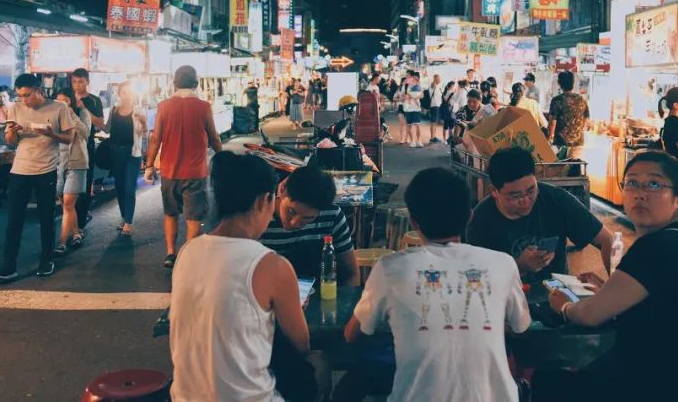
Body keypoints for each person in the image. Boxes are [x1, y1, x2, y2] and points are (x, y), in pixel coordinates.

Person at [548, 151, 678, 401]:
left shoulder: (659, 246)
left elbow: (590, 315)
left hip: (669, 388)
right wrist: (607, 293)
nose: (640, 193)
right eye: (632, 183)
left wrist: (564, 306)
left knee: (551, 382)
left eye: (654, 184)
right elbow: (660, 304)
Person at [343, 167, 531, 401]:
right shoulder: (503, 264)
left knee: (350, 385)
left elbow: (353, 334)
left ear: (413, 221)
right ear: (469, 217)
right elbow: (520, 327)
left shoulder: (390, 268)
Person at [169, 152, 312, 402]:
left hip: (183, 397)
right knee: (315, 371)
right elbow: (302, 344)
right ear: (264, 201)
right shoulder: (273, 266)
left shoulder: (187, 251)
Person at [467, 146, 612, 283]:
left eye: (531, 190)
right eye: (515, 196)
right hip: (505, 297)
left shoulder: (556, 199)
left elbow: (606, 240)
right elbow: (475, 278)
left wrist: (618, 289)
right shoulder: (480, 220)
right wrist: (518, 265)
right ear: (494, 191)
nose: (526, 200)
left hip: (558, 292)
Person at [0, 73, 74, 282]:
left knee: (46, 218)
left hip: (46, 169)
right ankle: (9, 265)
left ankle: (47, 259)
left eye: (27, 95)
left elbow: (69, 137)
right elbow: (10, 141)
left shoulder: (59, 108)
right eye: (20, 96)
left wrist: (51, 134)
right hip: (20, 169)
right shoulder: (15, 108)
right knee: (14, 219)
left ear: (38, 90)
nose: (24, 100)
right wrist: (13, 132)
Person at [144, 65, 223, 268]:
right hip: (195, 172)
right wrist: (222, 157)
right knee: (193, 216)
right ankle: (189, 255)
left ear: (174, 83)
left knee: (170, 213)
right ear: (196, 84)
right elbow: (214, 137)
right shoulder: (203, 107)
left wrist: (149, 165)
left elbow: (155, 139)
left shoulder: (163, 106)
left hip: (169, 172)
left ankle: (170, 253)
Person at [259, 162, 360, 286]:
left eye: (307, 218)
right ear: (282, 189)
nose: (294, 223)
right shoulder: (258, 217)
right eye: (291, 211)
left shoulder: (332, 217)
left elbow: (352, 275)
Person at [52, 88, 91, 254]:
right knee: (66, 204)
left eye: (65, 101)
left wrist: (71, 114)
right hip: (59, 164)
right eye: (58, 101)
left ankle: (61, 243)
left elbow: (85, 133)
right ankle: (76, 234)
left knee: (68, 203)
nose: (61, 104)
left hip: (77, 163)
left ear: (71, 102)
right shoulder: (54, 117)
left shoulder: (82, 113)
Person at [106, 81, 145, 237]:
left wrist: (143, 122)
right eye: (124, 92)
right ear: (119, 94)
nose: (127, 95)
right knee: (120, 187)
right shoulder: (113, 111)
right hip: (115, 154)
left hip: (132, 154)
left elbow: (144, 133)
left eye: (130, 92)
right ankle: (124, 217)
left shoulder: (138, 111)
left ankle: (128, 223)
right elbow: (107, 128)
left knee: (129, 188)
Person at [71, 68, 105, 237]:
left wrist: (84, 108)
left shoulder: (94, 100)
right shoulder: (66, 98)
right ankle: (70, 219)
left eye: (81, 82)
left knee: (84, 185)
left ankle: (80, 224)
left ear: (87, 82)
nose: (77, 86)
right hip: (66, 146)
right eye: (74, 82)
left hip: (86, 146)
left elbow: (100, 124)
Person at [548, 70, 589, 160]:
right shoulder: (581, 99)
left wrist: (550, 138)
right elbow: (586, 118)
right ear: (573, 84)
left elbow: (552, 123)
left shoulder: (557, 100)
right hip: (578, 143)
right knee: (574, 170)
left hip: (560, 144)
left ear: (559, 83)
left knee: (559, 171)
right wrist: (579, 131)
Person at [0, 86, 15, 207]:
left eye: (4, 96)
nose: (2, 99)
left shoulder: (15, 107)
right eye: (0, 96)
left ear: (9, 96)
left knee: (13, 167)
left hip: (15, 140)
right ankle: (2, 190)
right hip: (1, 140)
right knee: (3, 167)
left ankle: (8, 190)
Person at [402, 74, 424, 148]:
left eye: (416, 79)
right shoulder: (408, 87)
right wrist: (412, 97)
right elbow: (406, 96)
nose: (414, 80)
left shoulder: (419, 87)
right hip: (409, 108)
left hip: (417, 108)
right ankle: (412, 141)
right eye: (413, 79)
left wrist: (414, 97)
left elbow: (422, 95)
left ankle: (419, 141)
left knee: (417, 125)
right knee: (409, 125)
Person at [426, 74, 442, 143]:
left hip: (435, 106)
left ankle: (433, 137)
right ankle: (432, 138)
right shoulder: (433, 86)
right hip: (435, 106)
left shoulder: (435, 86)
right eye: (439, 78)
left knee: (434, 122)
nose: (440, 80)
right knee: (433, 122)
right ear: (436, 79)